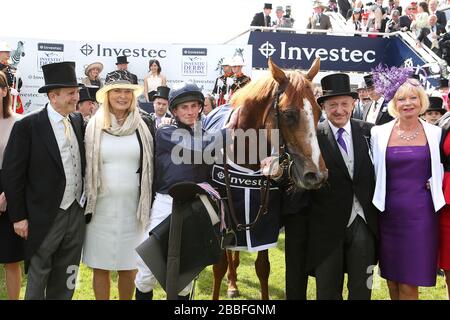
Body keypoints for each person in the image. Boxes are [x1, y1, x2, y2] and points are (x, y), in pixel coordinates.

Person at [134, 82, 237, 300]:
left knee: (186, 276)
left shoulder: (208, 133)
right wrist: (229, 131)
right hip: (165, 204)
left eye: (194, 106)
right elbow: (196, 147)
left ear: (200, 107)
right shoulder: (166, 132)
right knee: (147, 268)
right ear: (175, 111)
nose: (190, 111)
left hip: (195, 206)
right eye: (184, 107)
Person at [2, 61, 86, 300]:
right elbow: (12, 174)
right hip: (44, 215)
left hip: (75, 213)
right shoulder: (27, 126)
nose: (76, 97)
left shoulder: (77, 121)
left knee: (68, 273)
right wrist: (18, 217)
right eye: (71, 93)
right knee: (39, 274)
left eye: (76, 92)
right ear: (53, 96)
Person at [82, 69, 154, 300]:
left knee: (129, 266)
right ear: (107, 95)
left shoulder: (144, 125)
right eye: (117, 91)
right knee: (100, 266)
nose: (122, 96)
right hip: (100, 208)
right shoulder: (92, 126)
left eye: (127, 91)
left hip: (133, 209)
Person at [306, 73, 379, 300]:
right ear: (323, 106)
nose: (339, 110)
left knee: (363, 289)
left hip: (364, 225)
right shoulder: (312, 137)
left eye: (344, 104)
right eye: (333, 104)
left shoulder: (370, 132)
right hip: (326, 228)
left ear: (353, 103)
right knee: (327, 291)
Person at [371, 77, 445, 300]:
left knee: (409, 282)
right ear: (394, 103)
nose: (408, 103)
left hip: (421, 215)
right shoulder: (378, 133)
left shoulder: (435, 133)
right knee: (392, 280)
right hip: (387, 214)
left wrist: (437, 182)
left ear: (421, 101)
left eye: (413, 97)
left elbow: (443, 165)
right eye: (401, 99)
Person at [0, 71, 24, 300]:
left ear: (5, 91)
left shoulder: (18, 122)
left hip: (10, 190)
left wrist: (8, 194)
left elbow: (24, 165)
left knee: (11, 259)